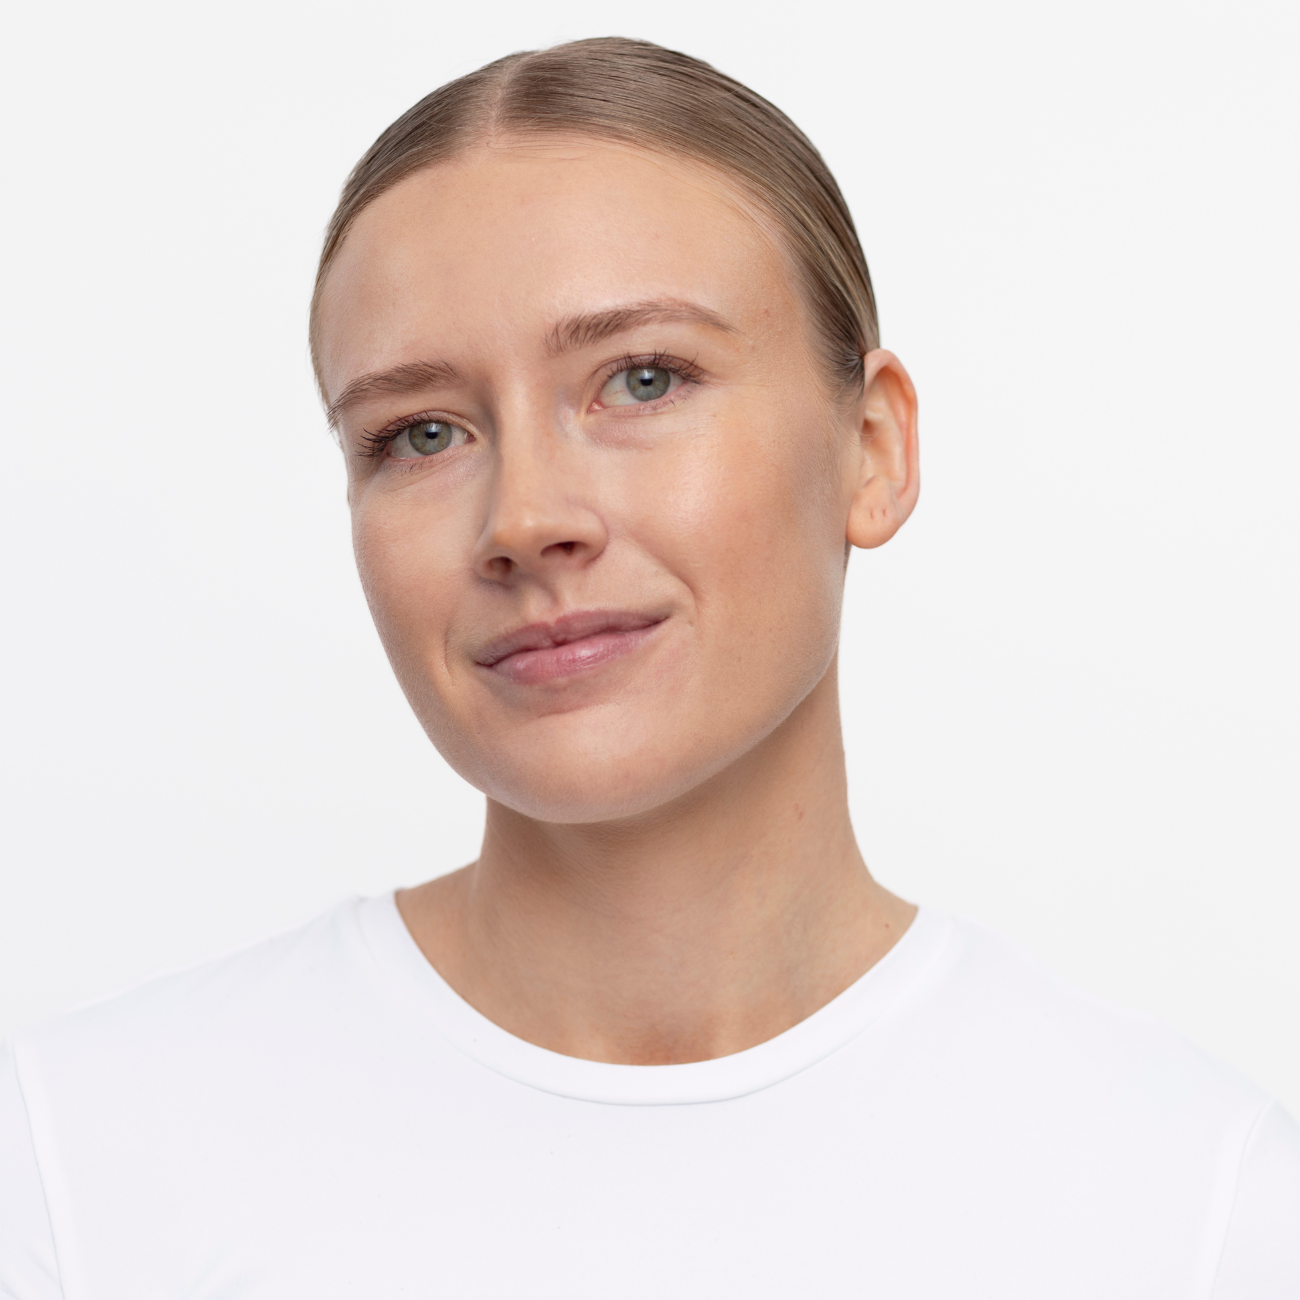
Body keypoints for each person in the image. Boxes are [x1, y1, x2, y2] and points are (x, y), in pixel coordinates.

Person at [1, 36, 1296, 1298]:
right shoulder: (74, 1166)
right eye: (422, 433)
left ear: (872, 447)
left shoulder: (1197, 1205)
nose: (525, 520)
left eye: (643, 379)